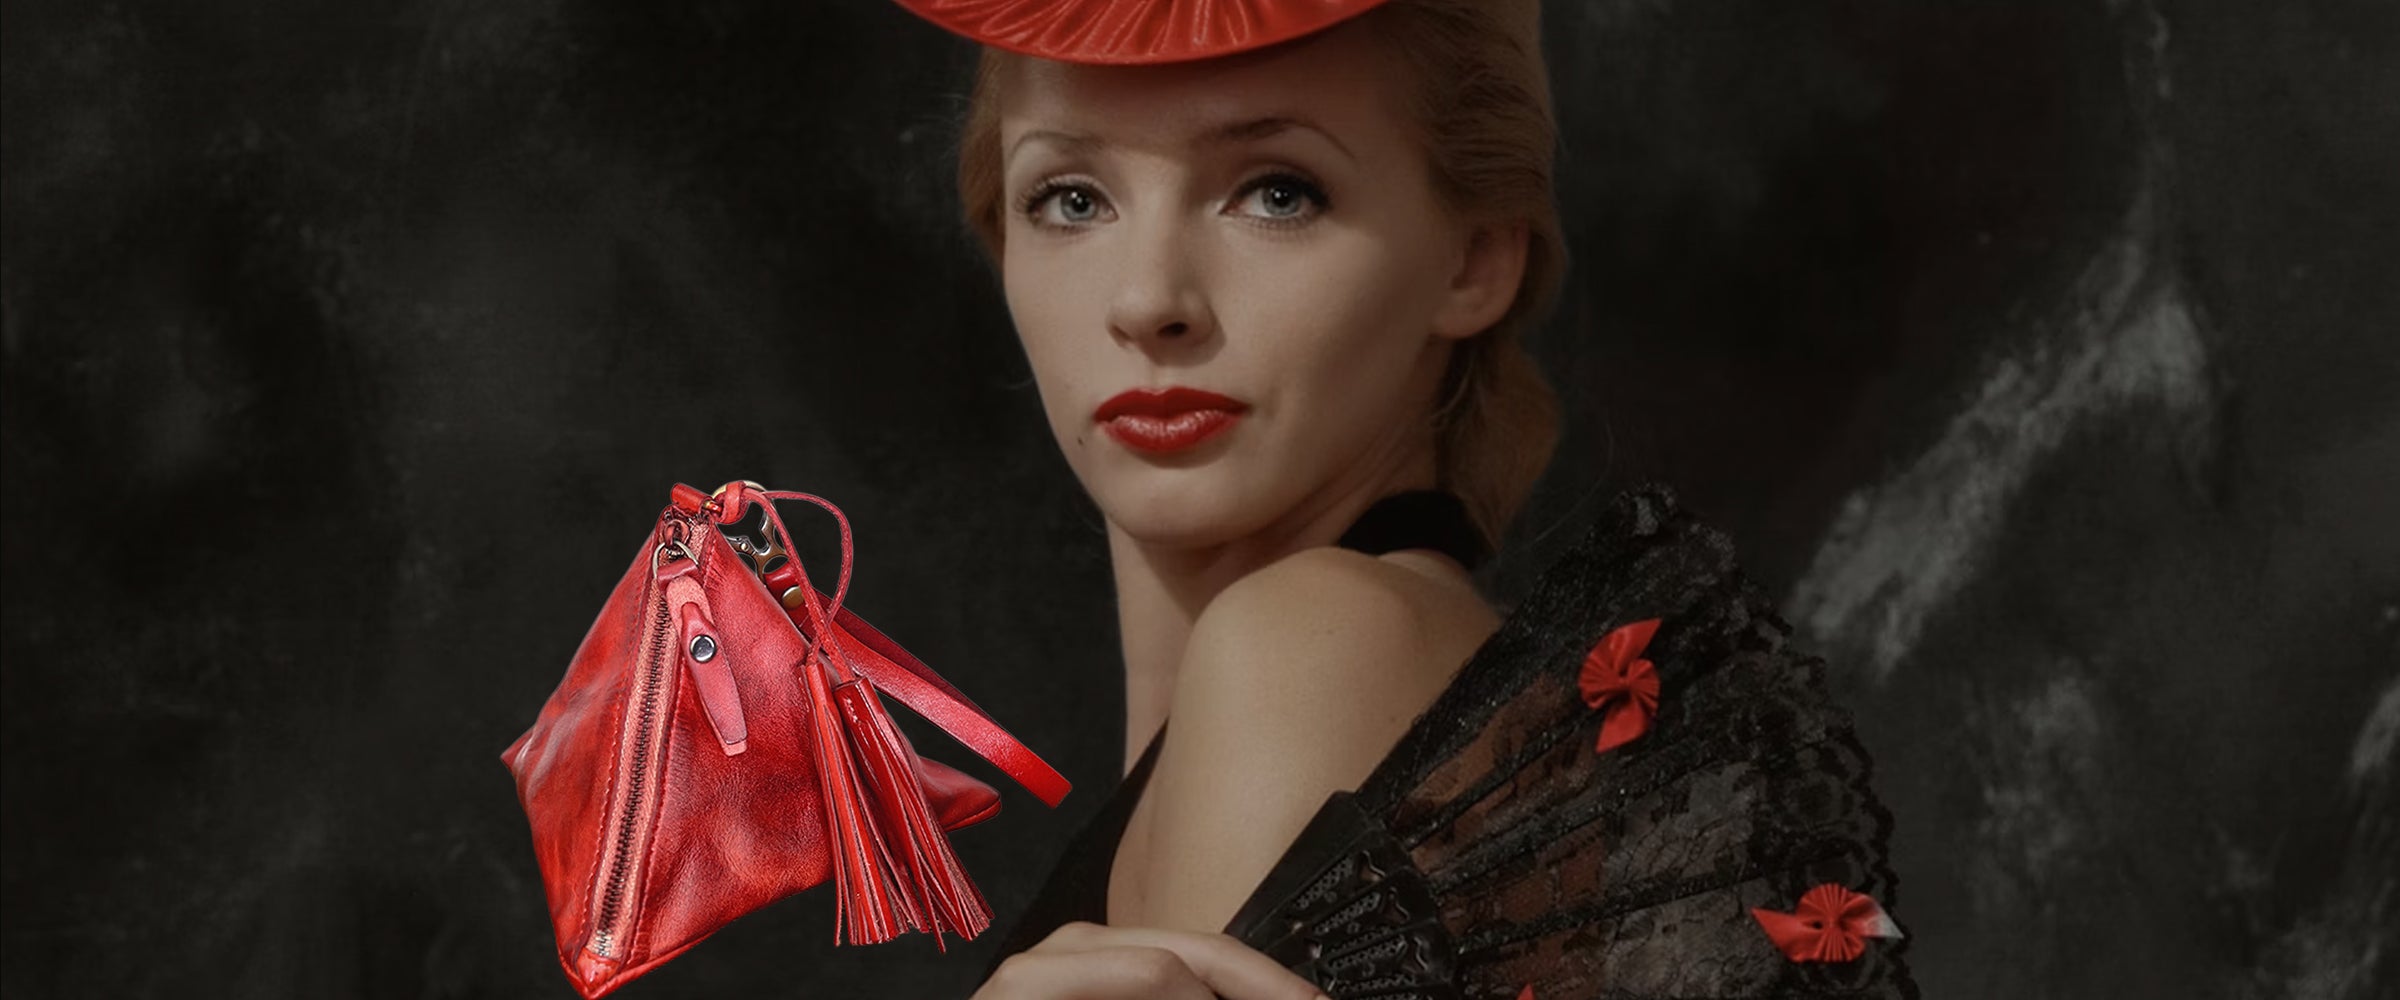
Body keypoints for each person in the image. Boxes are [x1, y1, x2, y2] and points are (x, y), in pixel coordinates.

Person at [880, 1, 1564, 996]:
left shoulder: (1312, 647)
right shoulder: (1348, 653)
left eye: (1278, 193)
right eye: (1072, 200)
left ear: (1475, 259)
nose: (1148, 300)